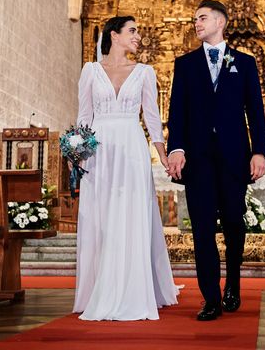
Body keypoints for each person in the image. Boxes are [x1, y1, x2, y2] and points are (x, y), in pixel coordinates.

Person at [167, 0, 265, 321]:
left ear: (220, 22)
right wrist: (176, 148)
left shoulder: (245, 63)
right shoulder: (185, 64)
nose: (196, 23)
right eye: (194, 18)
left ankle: (233, 282)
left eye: (202, 18)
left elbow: (255, 111)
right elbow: (177, 112)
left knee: (235, 225)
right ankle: (210, 297)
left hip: (234, 157)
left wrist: (259, 151)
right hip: (197, 160)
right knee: (201, 229)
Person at [73, 16, 179, 321]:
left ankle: (133, 288)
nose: (138, 36)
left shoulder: (145, 72)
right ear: (114, 35)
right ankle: (98, 288)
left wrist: (163, 155)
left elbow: (153, 119)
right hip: (99, 150)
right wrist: (78, 156)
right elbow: (83, 117)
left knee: (131, 213)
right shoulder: (90, 71)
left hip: (133, 147)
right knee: (101, 216)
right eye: (132, 31)